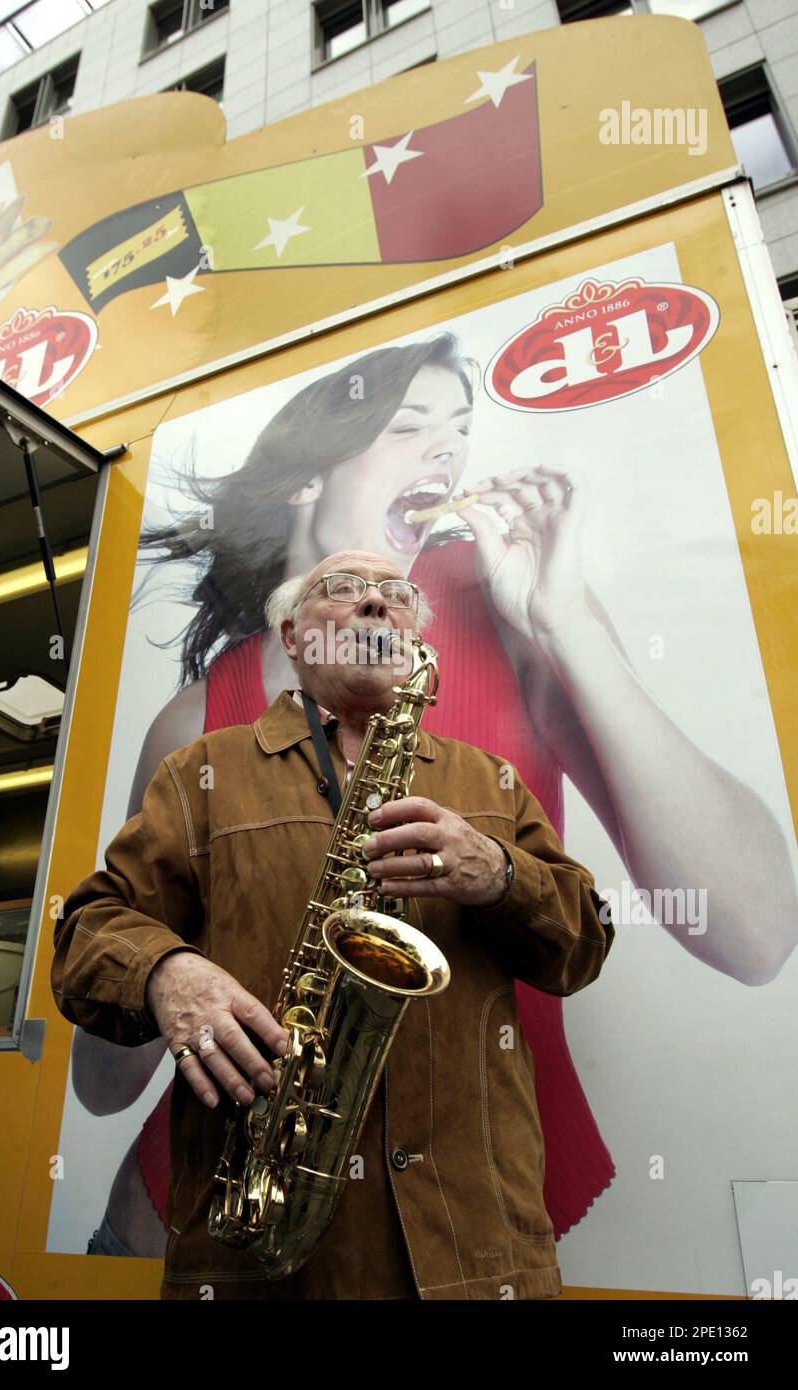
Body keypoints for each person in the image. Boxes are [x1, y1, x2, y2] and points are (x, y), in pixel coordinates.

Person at [72, 330, 797, 1263]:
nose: (448, 453)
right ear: (306, 477)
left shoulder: (512, 608)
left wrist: (564, 620)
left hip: (463, 1220)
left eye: (459, 429)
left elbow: (756, 931)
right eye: (408, 425)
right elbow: (104, 1083)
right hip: (214, 1217)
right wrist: (165, 973)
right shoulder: (192, 725)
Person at [53, 550, 614, 1299]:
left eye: (397, 595)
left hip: (472, 1250)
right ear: (291, 636)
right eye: (344, 590)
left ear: (415, 637)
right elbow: (88, 928)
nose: (377, 605)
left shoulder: (491, 781)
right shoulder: (201, 772)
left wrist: (500, 873)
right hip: (260, 1255)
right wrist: (164, 972)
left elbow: (582, 948)